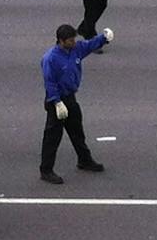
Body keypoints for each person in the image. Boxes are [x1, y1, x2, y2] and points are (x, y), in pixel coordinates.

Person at [39, 23, 109, 184]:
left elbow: (89, 45)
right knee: (52, 137)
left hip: (70, 98)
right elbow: (50, 83)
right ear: (61, 41)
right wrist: (57, 102)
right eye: (70, 40)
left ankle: (84, 160)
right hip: (56, 101)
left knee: (77, 131)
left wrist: (103, 38)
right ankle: (46, 170)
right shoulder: (51, 58)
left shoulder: (75, 49)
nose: (73, 42)